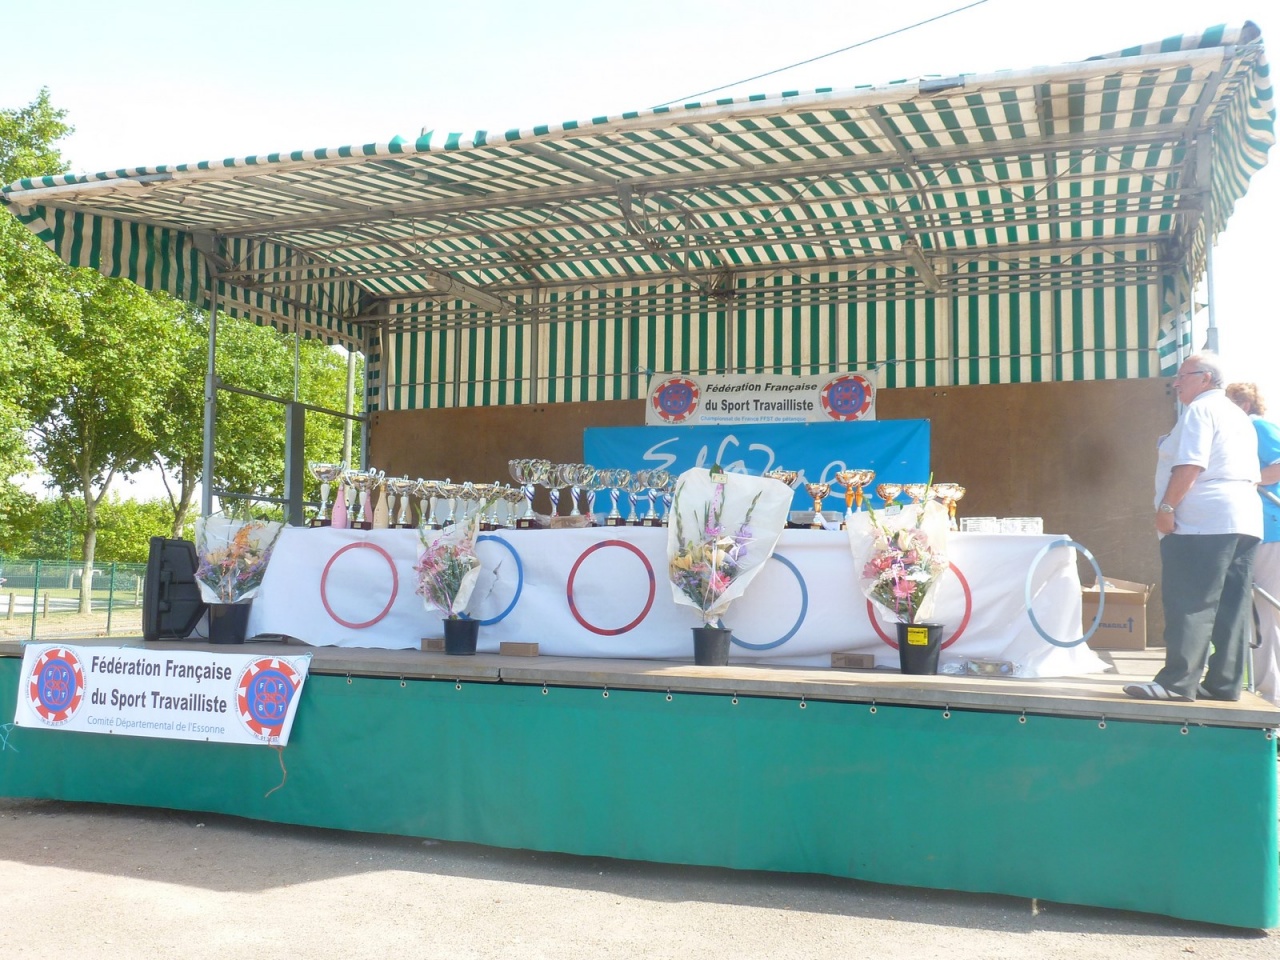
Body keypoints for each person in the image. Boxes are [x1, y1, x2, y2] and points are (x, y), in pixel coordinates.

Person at [1124, 352, 1262, 702]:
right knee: (1231, 606)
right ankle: (1223, 683)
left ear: (1205, 378)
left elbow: (1190, 465)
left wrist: (1167, 507)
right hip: (1244, 519)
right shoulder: (1237, 415)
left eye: (1183, 376)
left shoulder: (1200, 410)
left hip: (1203, 522)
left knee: (1190, 601)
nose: (1176, 383)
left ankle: (1176, 682)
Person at [1225, 381, 1280, 706]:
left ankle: (1272, 692)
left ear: (1244, 405)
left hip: (1271, 530)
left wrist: (1248, 479)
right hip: (1256, 530)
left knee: (1266, 610)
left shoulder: (1258, 427)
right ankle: (1268, 688)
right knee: (1260, 611)